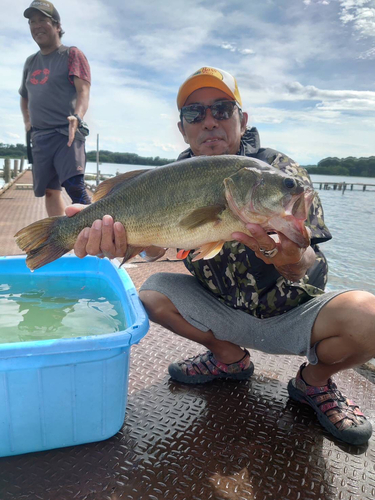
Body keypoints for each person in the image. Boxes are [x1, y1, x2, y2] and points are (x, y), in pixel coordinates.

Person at [66, 66, 375, 446]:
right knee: (151, 293)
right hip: (224, 313)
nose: (209, 121)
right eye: (195, 113)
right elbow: (157, 245)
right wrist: (123, 241)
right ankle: (229, 358)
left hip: (292, 316)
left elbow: (310, 266)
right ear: (182, 128)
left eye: (222, 109)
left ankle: (313, 381)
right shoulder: (172, 176)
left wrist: (290, 257)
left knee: (369, 317)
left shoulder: (280, 175)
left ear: (242, 120)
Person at [19, 1, 91, 217]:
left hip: (66, 133)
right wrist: (27, 122)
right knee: (50, 191)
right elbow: (24, 96)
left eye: (43, 20)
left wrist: (77, 116)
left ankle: (101, 239)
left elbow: (83, 91)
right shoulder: (31, 62)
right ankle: (59, 242)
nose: (36, 25)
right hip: (40, 138)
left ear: (57, 26)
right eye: (32, 21)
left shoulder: (72, 55)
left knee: (75, 187)